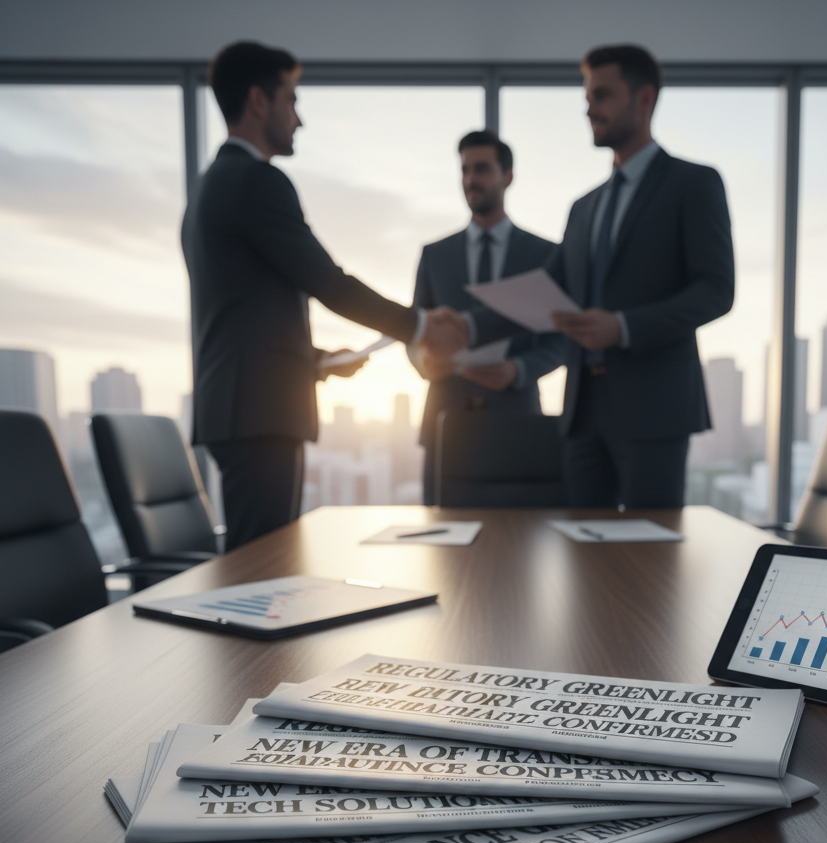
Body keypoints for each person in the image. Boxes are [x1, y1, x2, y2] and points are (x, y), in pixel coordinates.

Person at [181, 41, 461, 549]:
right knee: (259, 566)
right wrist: (418, 326)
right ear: (259, 101)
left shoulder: (209, 186)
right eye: (292, 100)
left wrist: (314, 360)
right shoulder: (256, 182)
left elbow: (241, 313)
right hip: (258, 412)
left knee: (258, 560)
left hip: (241, 405)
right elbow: (327, 281)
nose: (299, 119)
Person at [455, 44, 735, 508]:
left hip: (654, 409)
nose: (589, 109)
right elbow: (543, 292)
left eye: (602, 95)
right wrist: (465, 327)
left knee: (651, 562)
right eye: (587, 97)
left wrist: (623, 327)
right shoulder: (584, 207)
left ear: (644, 99)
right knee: (581, 558)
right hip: (583, 413)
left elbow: (716, 291)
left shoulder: (694, 183)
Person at [409, 129, 560, 504]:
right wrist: (424, 363)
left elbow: (561, 340)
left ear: (507, 176)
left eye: (481, 169)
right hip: (445, 421)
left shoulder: (545, 256)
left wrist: (519, 370)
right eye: (464, 170)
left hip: (517, 423)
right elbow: (413, 332)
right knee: (443, 554)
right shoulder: (434, 255)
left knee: (519, 547)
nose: (470, 180)